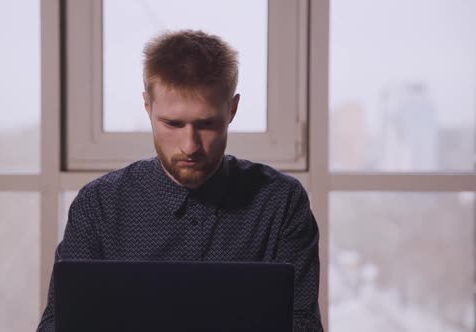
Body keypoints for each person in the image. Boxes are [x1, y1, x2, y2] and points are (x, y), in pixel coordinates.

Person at [37, 30, 323, 331]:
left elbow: (302, 324)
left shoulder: (281, 202)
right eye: (173, 124)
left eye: (207, 124)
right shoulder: (99, 205)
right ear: (148, 108)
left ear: (232, 110)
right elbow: (57, 325)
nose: (190, 145)